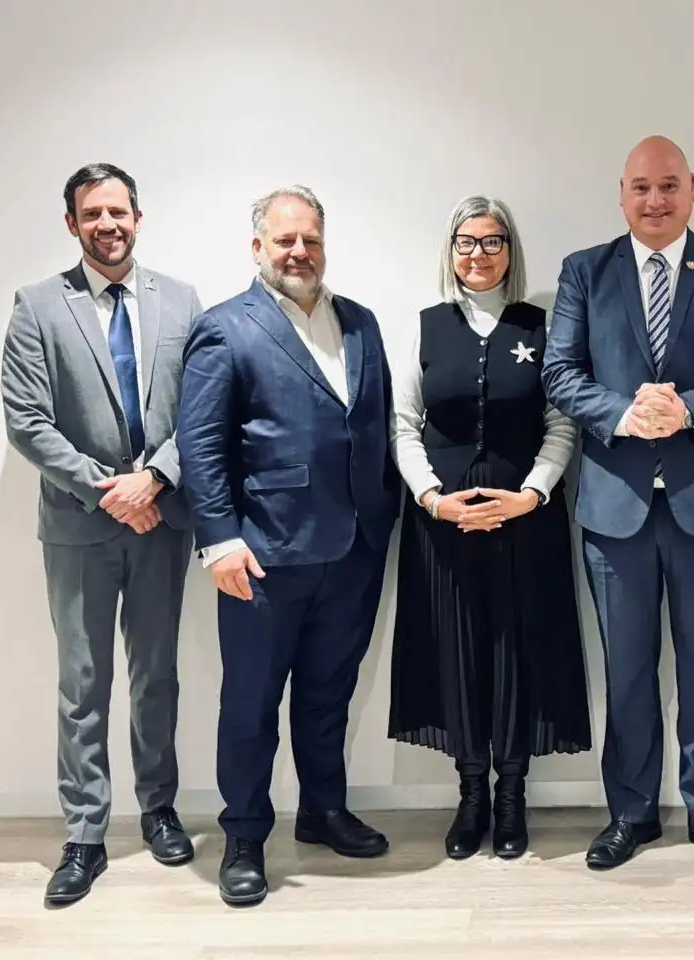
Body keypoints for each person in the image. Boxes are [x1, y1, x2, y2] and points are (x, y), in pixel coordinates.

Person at [542, 135, 694, 879]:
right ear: (621, 193)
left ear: (692, 189)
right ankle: (631, 813)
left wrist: (688, 410)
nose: (655, 200)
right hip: (615, 509)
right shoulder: (585, 270)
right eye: (641, 186)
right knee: (628, 672)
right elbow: (560, 372)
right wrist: (623, 413)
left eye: (669, 185)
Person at [177, 185, 401, 907]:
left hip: (354, 548)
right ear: (258, 248)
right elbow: (201, 446)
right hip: (263, 555)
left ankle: (323, 810)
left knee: (329, 694)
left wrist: (385, 514)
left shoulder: (360, 322)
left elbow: (374, 424)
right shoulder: (225, 329)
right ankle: (244, 835)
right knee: (251, 704)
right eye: (285, 241)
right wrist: (219, 541)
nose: (299, 252)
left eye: (311, 239)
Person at [0, 162, 201, 906]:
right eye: (92, 214)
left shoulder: (181, 301)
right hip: (80, 527)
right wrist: (109, 491)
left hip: (161, 521)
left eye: (118, 212)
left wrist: (156, 479)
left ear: (138, 218)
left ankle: (159, 808)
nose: (107, 225)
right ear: (72, 224)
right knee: (83, 684)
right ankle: (85, 834)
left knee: (157, 675)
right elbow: (27, 420)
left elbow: (201, 409)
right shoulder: (37, 306)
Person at [388, 195, 593, 860]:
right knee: (456, 652)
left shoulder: (542, 326)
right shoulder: (424, 327)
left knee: (518, 652)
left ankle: (511, 796)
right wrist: (432, 498)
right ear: (451, 250)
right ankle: (471, 792)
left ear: (510, 250)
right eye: (466, 242)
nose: (479, 254)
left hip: (526, 525)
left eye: (492, 241)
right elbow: (403, 425)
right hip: (443, 527)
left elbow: (562, 423)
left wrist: (532, 494)